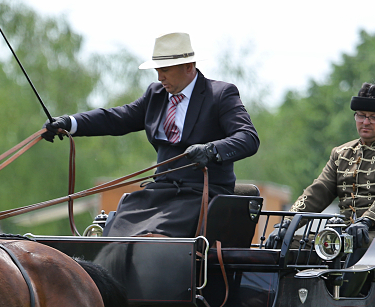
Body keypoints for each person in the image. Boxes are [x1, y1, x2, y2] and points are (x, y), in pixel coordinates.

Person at [42, 32, 259, 238]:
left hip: (201, 195)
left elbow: (248, 137)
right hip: (160, 192)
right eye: (157, 69)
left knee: (152, 235)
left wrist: (212, 150)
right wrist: (71, 123)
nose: (159, 76)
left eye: (165, 69)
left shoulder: (220, 94)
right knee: (116, 227)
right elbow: (117, 118)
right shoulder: (156, 94)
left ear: (188, 66)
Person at [268, 82, 375, 262]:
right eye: (361, 116)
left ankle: (340, 291)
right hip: (342, 237)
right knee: (284, 245)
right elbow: (318, 191)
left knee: (350, 244)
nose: (365, 122)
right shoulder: (341, 153)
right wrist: (288, 225)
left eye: (373, 117)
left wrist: (366, 221)